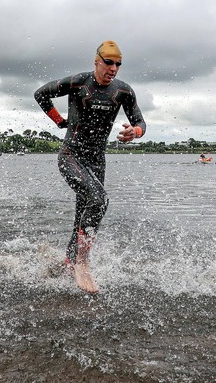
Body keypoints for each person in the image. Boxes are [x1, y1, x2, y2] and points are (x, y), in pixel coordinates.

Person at [34, 40, 147, 294]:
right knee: (99, 200)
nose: (113, 68)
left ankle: (67, 264)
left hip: (97, 161)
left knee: (82, 217)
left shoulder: (123, 92)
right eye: (108, 62)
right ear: (96, 61)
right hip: (71, 155)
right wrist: (59, 121)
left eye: (118, 64)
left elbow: (140, 121)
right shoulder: (78, 82)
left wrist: (135, 132)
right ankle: (82, 264)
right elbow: (41, 94)